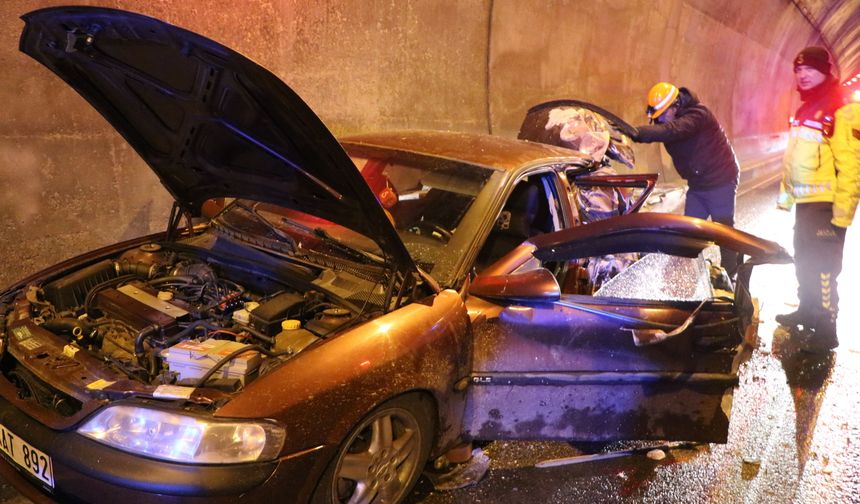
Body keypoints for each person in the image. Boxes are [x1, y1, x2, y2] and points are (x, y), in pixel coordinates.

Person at [775, 46, 859, 353]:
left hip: (827, 205)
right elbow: (793, 159)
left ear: (825, 71)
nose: (803, 75)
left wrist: (843, 215)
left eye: (810, 69)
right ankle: (807, 310)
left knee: (824, 268)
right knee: (804, 260)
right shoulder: (805, 109)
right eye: (798, 70)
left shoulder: (842, 108)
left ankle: (826, 329)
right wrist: (787, 198)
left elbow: (852, 165)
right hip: (806, 203)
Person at [633, 83, 741, 276]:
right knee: (689, 233)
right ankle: (686, 277)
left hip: (721, 179)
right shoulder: (671, 121)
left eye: (662, 116)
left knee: (723, 232)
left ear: (675, 106)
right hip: (698, 184)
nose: (659, 122)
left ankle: (732, 276)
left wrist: (639, 133)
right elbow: (668, 129)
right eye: (656, 118)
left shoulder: (698, 115)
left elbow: (674, 130)